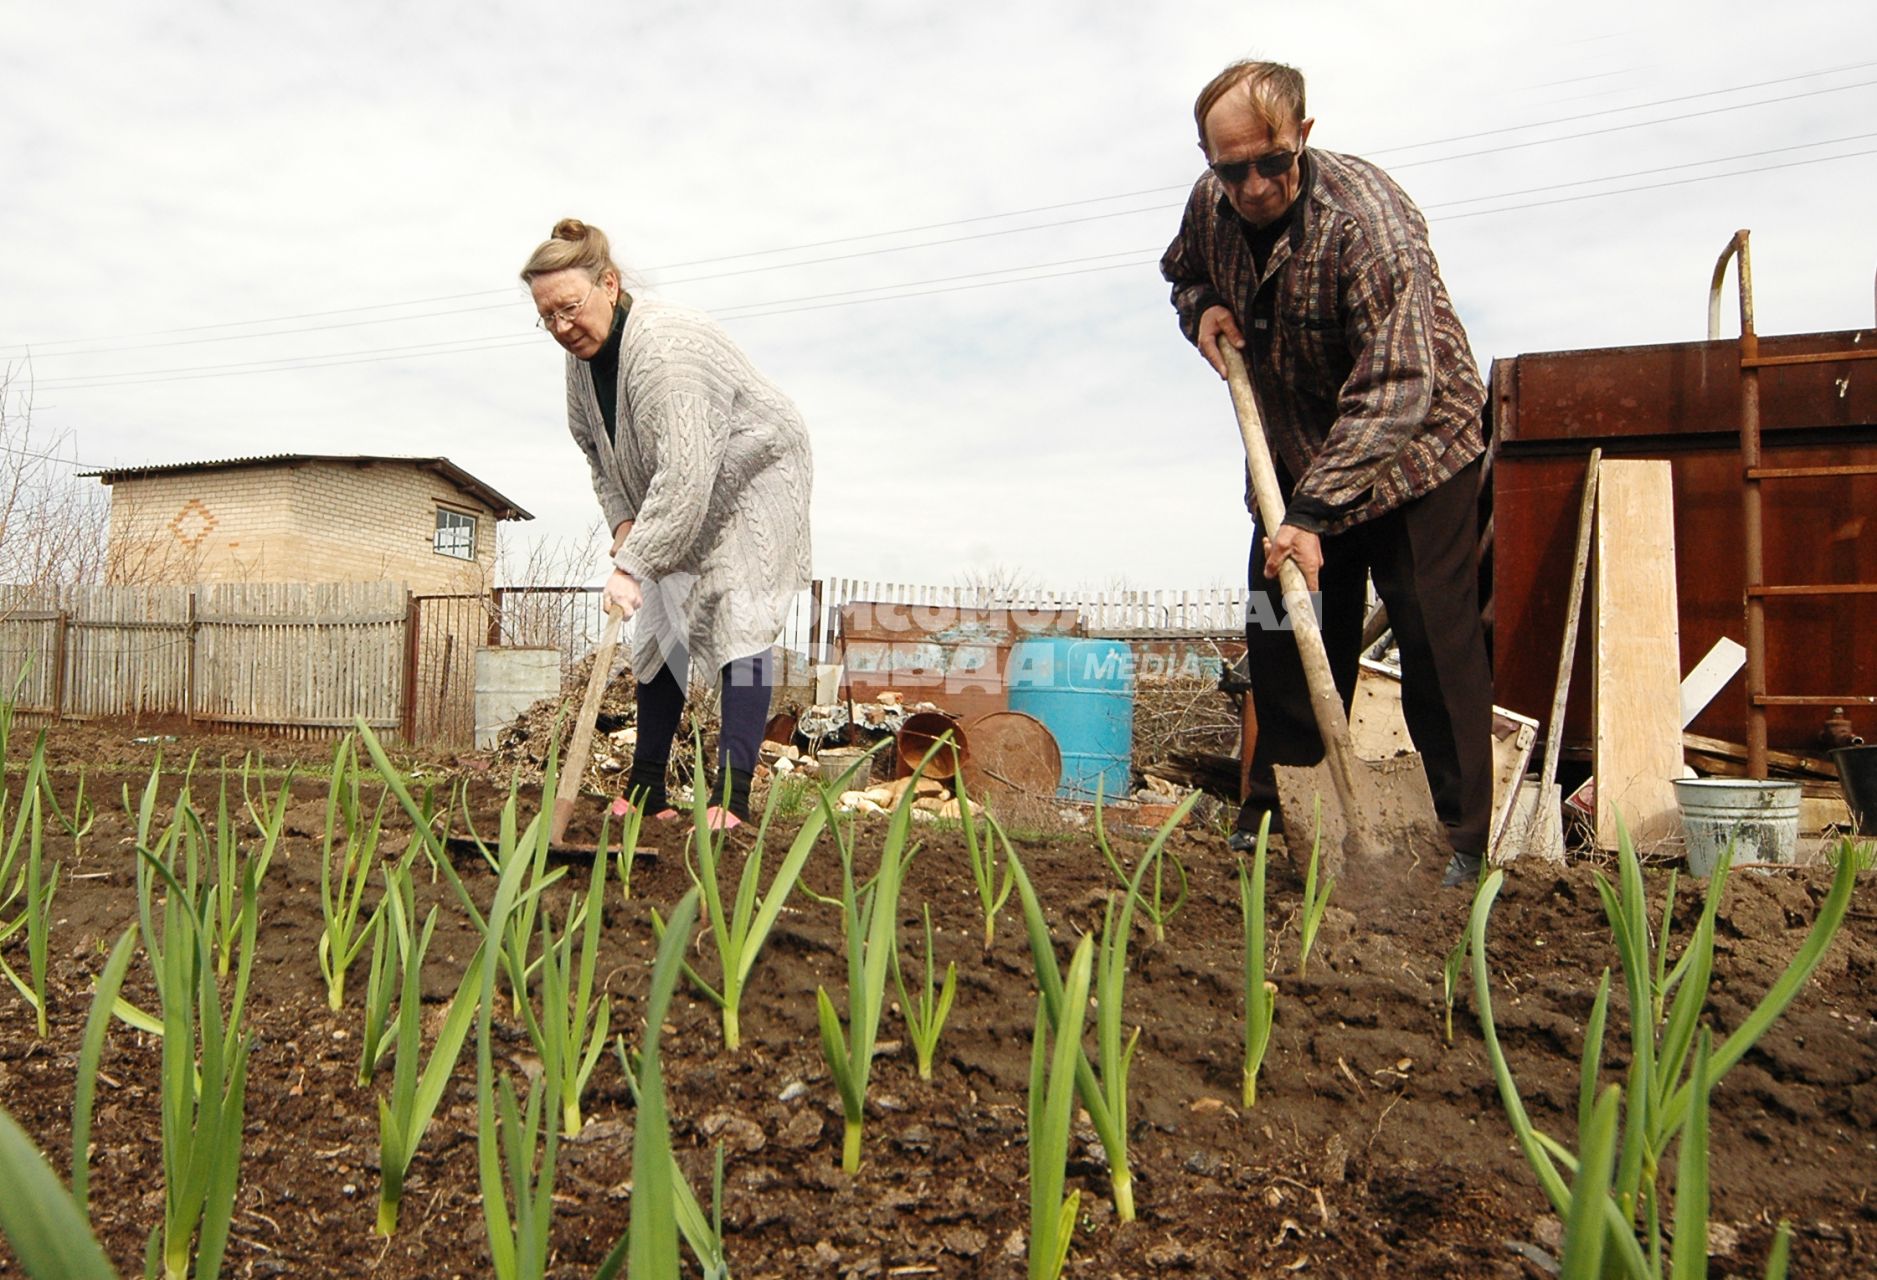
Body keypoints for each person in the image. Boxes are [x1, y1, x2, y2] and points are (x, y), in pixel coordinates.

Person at [1159, 61, 1494, 887]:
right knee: (1282, 627)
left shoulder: (1366, 225)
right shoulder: (1212, 204)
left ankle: (1456, 838)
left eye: (1269, 161)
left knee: (1429, 631)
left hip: (1416, 449)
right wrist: (1200, 305)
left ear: (1301, 136)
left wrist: (1310, 515)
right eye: (1229, 167)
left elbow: (1400, 383)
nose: (1252, 185)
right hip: (1294, 443)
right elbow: (1182, 270)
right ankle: (1278, 813)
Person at [521, 218, 812, 829]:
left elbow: (686, 475)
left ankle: (731, 800)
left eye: (569, 308)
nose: (561, 327)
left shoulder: (665, 351)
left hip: (752, 474)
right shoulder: (582, 361)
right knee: (658, 620)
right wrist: (625, 524)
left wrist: (634, 565)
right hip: (680, 481)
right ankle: (649, 788)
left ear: (609, 283)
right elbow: (598, 455)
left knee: (739, 610)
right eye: (546, 316)